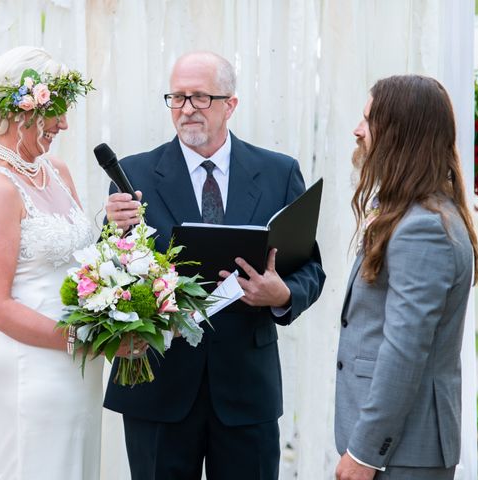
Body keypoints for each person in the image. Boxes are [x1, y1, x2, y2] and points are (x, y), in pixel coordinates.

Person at [103, 51, 326, 480]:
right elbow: (109, 273)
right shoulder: (133, 175)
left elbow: (309, 268)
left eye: (200, 98)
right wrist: (111, 229)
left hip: (247, 392)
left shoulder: (279, 172)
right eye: (177, 98)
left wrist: (282, 296)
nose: (186, 109)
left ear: (231, 104)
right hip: (159, 389)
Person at [0, 46, 136, 479]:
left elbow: (77, 266)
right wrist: (86, 341)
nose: (64, 124)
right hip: (30, 370)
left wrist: (114, 230)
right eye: (56, 111)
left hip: (77, 370)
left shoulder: (55, 169)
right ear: (22, 109)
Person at [334, 75, 478, 480]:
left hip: (401, 452)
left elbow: (405, 349)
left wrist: (365, 453)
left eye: (368, 120)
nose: (357, 130)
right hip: (397, 447)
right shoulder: (414, 213)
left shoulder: (424, 228)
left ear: (401, 133)